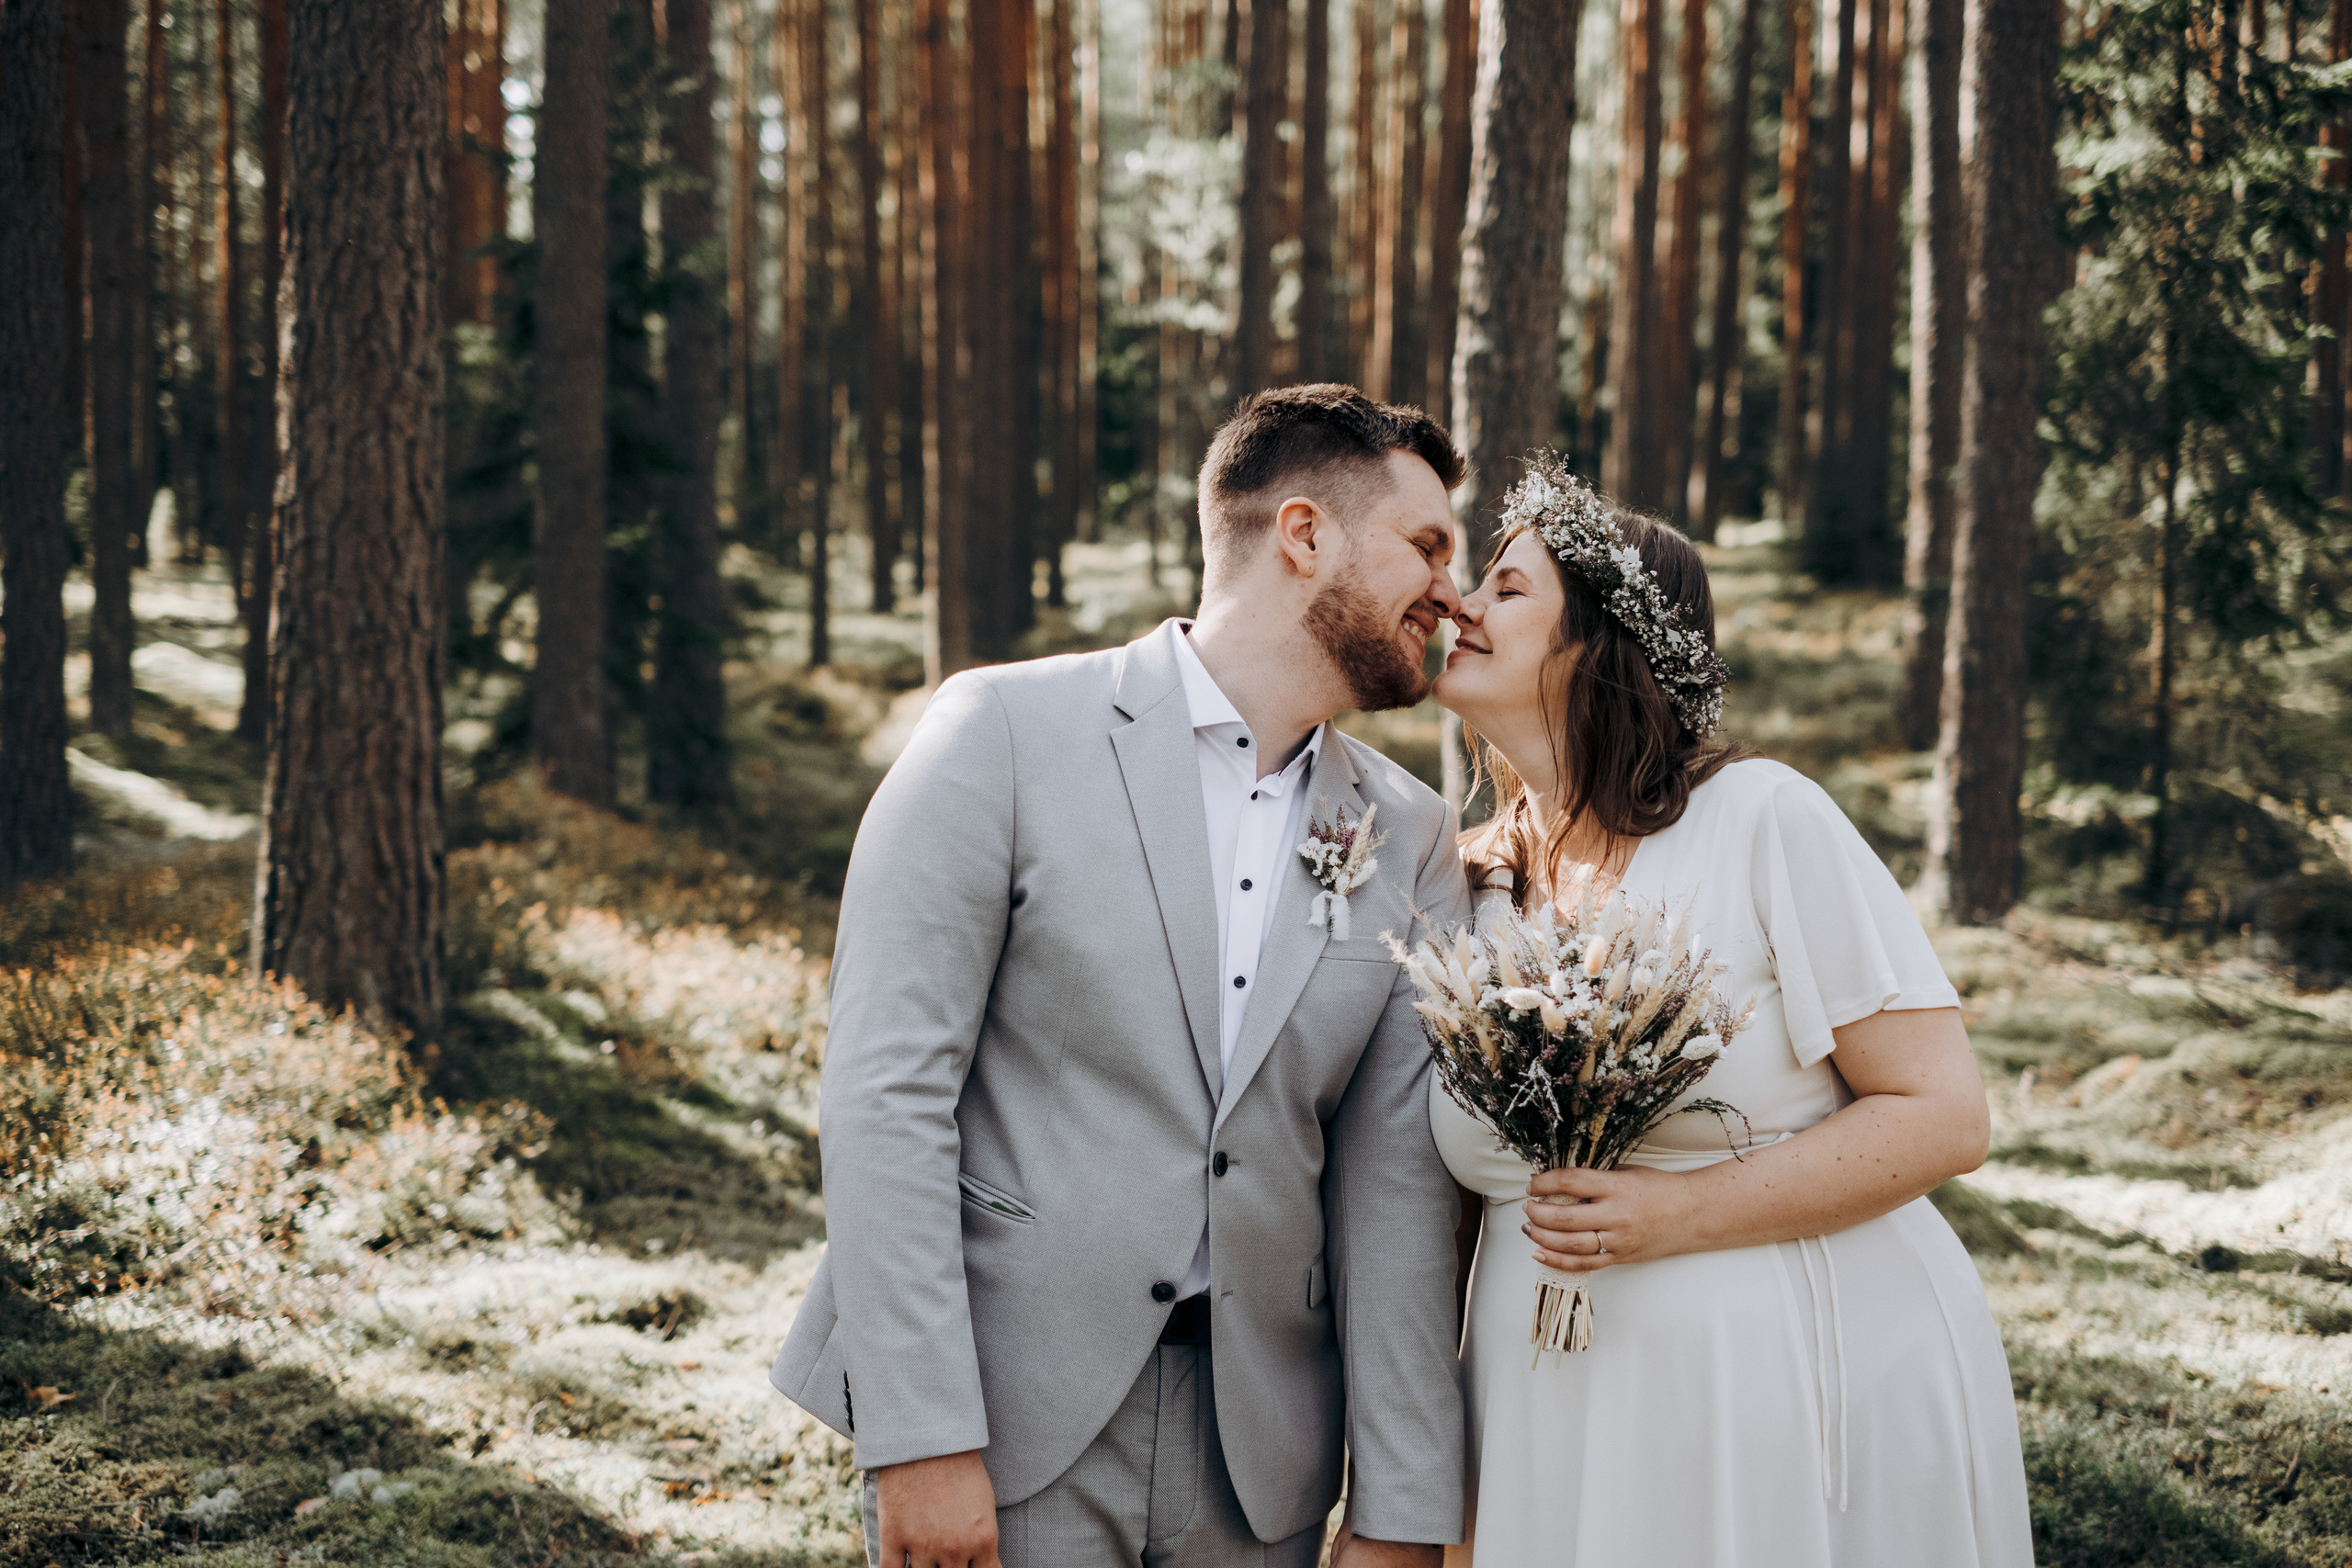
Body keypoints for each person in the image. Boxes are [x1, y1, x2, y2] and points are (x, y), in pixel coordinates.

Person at [773, 384, 1475, 1568]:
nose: (1449, 592)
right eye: (1425, 547)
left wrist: (1403, 1505)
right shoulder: (996, 732)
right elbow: (883, 1096)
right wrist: (922, 1435)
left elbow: (1395, 1187)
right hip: (1007, 1426)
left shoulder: (1411, 835)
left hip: (1260, 1466)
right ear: (1303, 536)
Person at [1425, 458, 2034, 1566]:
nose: (1460, 605)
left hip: (1785, 1396)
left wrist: (1674, 1215)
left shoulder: (1760, 820)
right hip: (1544, 1409)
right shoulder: (1465, 886)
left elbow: (1944, 1115)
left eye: (1508, 589)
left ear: (1599, 646)